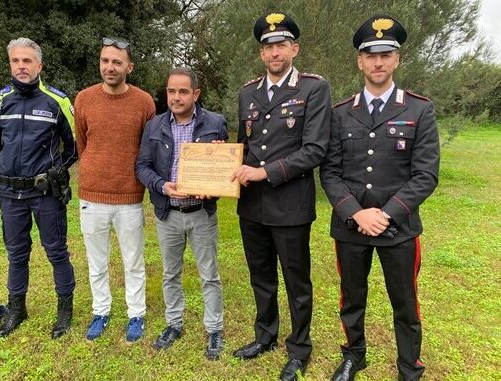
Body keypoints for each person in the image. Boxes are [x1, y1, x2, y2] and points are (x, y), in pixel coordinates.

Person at [320, 15, 440, 381]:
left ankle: (409, 367)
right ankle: (354, 356)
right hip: (351, 226)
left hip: (398, 228)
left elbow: (425, 175)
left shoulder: (419, 110)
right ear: (359, 60)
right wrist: (357, 214)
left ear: (397, 59)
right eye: (370, 55)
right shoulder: (341, 114)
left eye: (386, 54)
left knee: (405, 302)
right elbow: (330, 172)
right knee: (351, 298)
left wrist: (385, 215)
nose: (378, 62)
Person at [230, 12, 331, 381]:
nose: (275, 52)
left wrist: (264, 172)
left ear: (294, 49)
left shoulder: (313, 89)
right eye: (268, 46)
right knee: (261, 276)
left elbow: (315, 149)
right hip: (252, 205)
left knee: (296, 281)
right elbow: (244, 144)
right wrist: (224, 166)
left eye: (281, 45)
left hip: (290, 202)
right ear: (262, 53)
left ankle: (299, 349)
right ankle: (265, 336)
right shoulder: (248, 92)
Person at [0, 37, 77, 339]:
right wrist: (7, 165)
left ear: (39, 65)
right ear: (10, 64)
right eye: (15, 61)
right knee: (16, 253)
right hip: (10, 194)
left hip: (46, 193)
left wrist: (53, 171)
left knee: (56, 251)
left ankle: (65, 310)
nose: (21, 67)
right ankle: (17, 309)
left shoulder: (57, 101)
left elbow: (74, 147)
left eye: (27, 61)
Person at [135, 67, 228, 360]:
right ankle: (174, 324)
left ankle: (214, 328)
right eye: (171, 91)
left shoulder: (215, 123)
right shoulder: (155, 126)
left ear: (196, 94)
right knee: (170, 273)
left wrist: (215, 176)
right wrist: (161, 185)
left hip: (201, 213)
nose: (176, 97)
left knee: (209, 274)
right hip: (168, 213)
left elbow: (225, 169)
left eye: (183, 91)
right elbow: (142, 167)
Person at [74, 37, 155, 343]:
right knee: (96, 262)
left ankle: (136, 314)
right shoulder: (83, 99)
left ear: (129, 67)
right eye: (105, 61)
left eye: (117, 62)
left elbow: (148, 149)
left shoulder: (144, 102)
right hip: (92, 196)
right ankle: (101, 311)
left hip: (130, 197)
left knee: (133, 261)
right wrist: (97, 168)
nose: (109, 67)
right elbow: (82, 143)